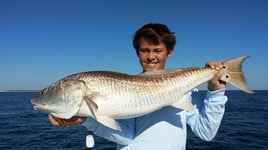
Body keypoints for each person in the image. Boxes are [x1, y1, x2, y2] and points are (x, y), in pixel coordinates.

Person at [48, 23, 227, 149]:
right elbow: (125, 137)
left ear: (169, 52)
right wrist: (86, 120)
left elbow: (206, 132)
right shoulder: (121, 90)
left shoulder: (187, 90)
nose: (151, 56)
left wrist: (216, 91)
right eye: (144, 50)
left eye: (157, 50)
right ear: (137, 53)